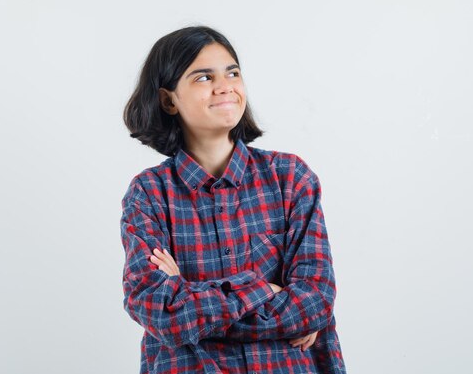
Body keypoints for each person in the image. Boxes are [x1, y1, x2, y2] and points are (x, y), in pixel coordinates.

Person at [120, 25, 346, 374]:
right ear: (168, 100)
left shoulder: (290, 178)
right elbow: (160, 311)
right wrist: (264, 289)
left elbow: (315, 303)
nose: (225, 86)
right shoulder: (149, 194)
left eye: (232, 73)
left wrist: (193, 300)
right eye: (203, 77)